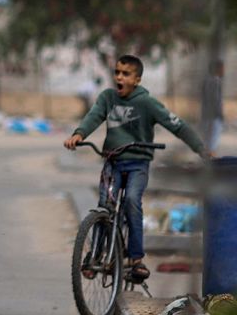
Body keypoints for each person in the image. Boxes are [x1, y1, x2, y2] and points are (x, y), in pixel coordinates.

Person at [63, 54, 213, 283]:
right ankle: (97, 254)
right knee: (105, 205)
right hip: (112, 162)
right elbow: (93, 117)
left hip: (137, 164)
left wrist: (201, 149)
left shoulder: (147, 103)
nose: (119, 77)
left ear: (137, 79)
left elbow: (177, 125)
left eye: (125, 74)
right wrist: (79, 134)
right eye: (117, 72)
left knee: (132, 200)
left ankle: (135, 259)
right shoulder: (107, 98)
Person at [202, 59, 225, 154]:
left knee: (208, 140)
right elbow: (215, 100)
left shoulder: (207, 80)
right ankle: (211, 162)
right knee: (212, 141)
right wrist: (220, 114)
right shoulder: (215, 81)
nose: (224, 71)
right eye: (222, 68)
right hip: (214, 116)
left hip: (207, 115)